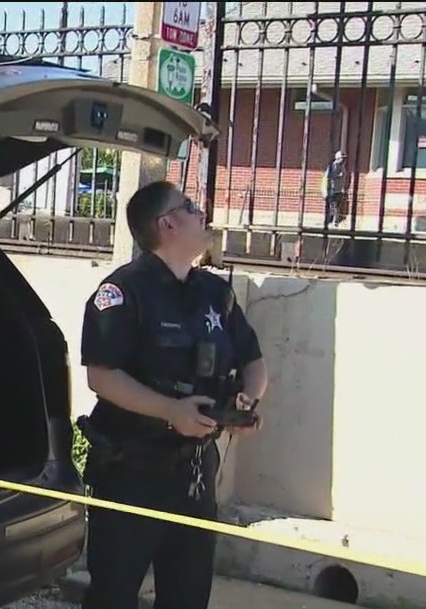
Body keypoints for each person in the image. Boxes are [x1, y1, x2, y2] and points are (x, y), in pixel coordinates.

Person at [78, 180, 268, 609]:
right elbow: (102, 377)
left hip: (195, 475)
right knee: (113, 594)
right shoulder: (123, 293)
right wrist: (170, 411)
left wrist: (247, 402)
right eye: (190, 207)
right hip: (133, 472)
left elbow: (254, 361)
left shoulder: (215, 293)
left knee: (187, 595)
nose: (202, 214)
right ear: (167, 224)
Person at [322, 149, 349, 226]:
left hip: (339, 190)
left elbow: (343, 179)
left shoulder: (342, 167)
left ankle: (335, 220)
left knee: (337, 206)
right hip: (332, 189)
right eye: (342, 158)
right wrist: (338, 176)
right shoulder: (333, 166)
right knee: (332, 205)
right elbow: (329, 176)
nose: (343, 160)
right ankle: (330, 220)